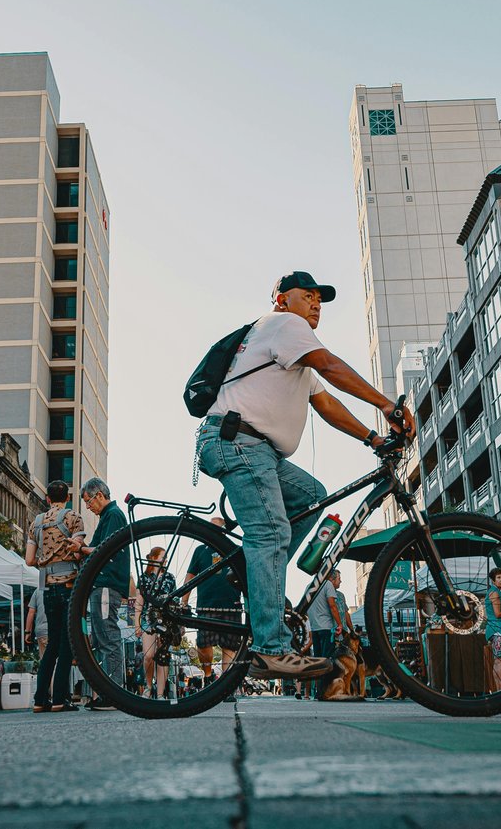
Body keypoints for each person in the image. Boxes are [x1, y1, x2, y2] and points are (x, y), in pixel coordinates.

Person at [194, 270, 414, 680]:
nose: (316, 303)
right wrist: (388, 407)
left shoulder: (291, 353)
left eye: (320, 298)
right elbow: (330, 365)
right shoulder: (284, 325)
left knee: (312, 495)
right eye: (307, 295)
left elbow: (327, 405)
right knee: (272, 533)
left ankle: (251, 570)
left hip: (255, 448)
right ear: (282, 300)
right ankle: (270, 647)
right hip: (239, 442)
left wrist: (373, 440)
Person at [26, 480, 83, 712]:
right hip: (68, 585)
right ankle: (60, 698)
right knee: (67, 643)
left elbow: (29, 560)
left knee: (51, 645)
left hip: (46, 586)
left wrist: (45, 560)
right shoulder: (73, 518)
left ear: (47, 499)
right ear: (67, 497)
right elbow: (78, 550)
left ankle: (40, 700)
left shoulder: (36, 523)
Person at [77, 477, 130, 710]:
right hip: (102, 584)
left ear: (99, 495)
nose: (88, 507)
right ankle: (106, 691)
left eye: (89, 501)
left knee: (108, 636)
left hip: (107, 583)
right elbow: (94, 548)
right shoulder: (108, 516)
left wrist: (80, 548)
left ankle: (113, 692)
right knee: (101, 637)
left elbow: (103, 549)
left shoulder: (114, 515)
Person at [183, 517, 242, 701]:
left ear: (224, 530)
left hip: (231, 605)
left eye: (219, 528)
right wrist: (184, 601)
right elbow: (190, 576)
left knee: (229, 647)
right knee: (203, 645)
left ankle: (226, 688)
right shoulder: (200, 550)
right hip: (206, 605)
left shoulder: (234, 549)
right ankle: (208, 676)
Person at [137, 547, 177, 698]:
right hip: (148, 619)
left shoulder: (170, 577)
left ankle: (160, 694)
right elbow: (139, 602)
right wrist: (136, 624)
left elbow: (175, 600)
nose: (165, 559)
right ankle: (148, 686)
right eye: (163, 557)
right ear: (153, 558)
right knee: (148, 655)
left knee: (163, 656)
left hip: (167, 619)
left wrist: (179, 624)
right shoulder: (144, 577)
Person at [304, 570, 347, 698]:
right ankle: (326, 691)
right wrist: (339, 624)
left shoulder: (309, 586)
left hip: (315, 628)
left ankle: (319, 692)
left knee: (318, 661)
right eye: (339, 577)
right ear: (331, 577)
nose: (340, 580)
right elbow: (332, 605)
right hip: (326, 628)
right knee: (328, 661)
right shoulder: (327, 584)